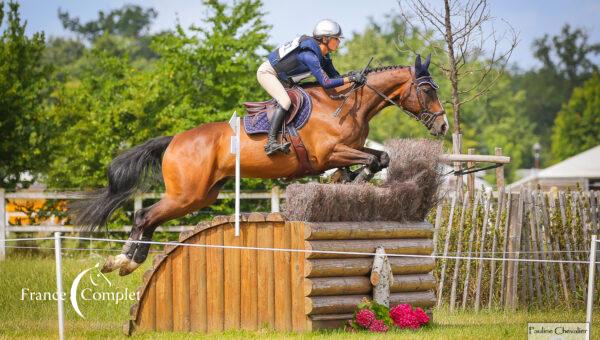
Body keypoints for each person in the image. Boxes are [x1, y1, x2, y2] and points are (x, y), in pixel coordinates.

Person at [257, 19, 366, 155]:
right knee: (285, 101)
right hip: (267, 73)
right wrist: (350, 79)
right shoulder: (309, 55)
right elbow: (326, 82)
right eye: (336, 39)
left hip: (285, 79)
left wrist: (352, 76)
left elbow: (335, 77)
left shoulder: (323, 56)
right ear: (325, 39)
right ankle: (271, 143)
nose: (339, 42)